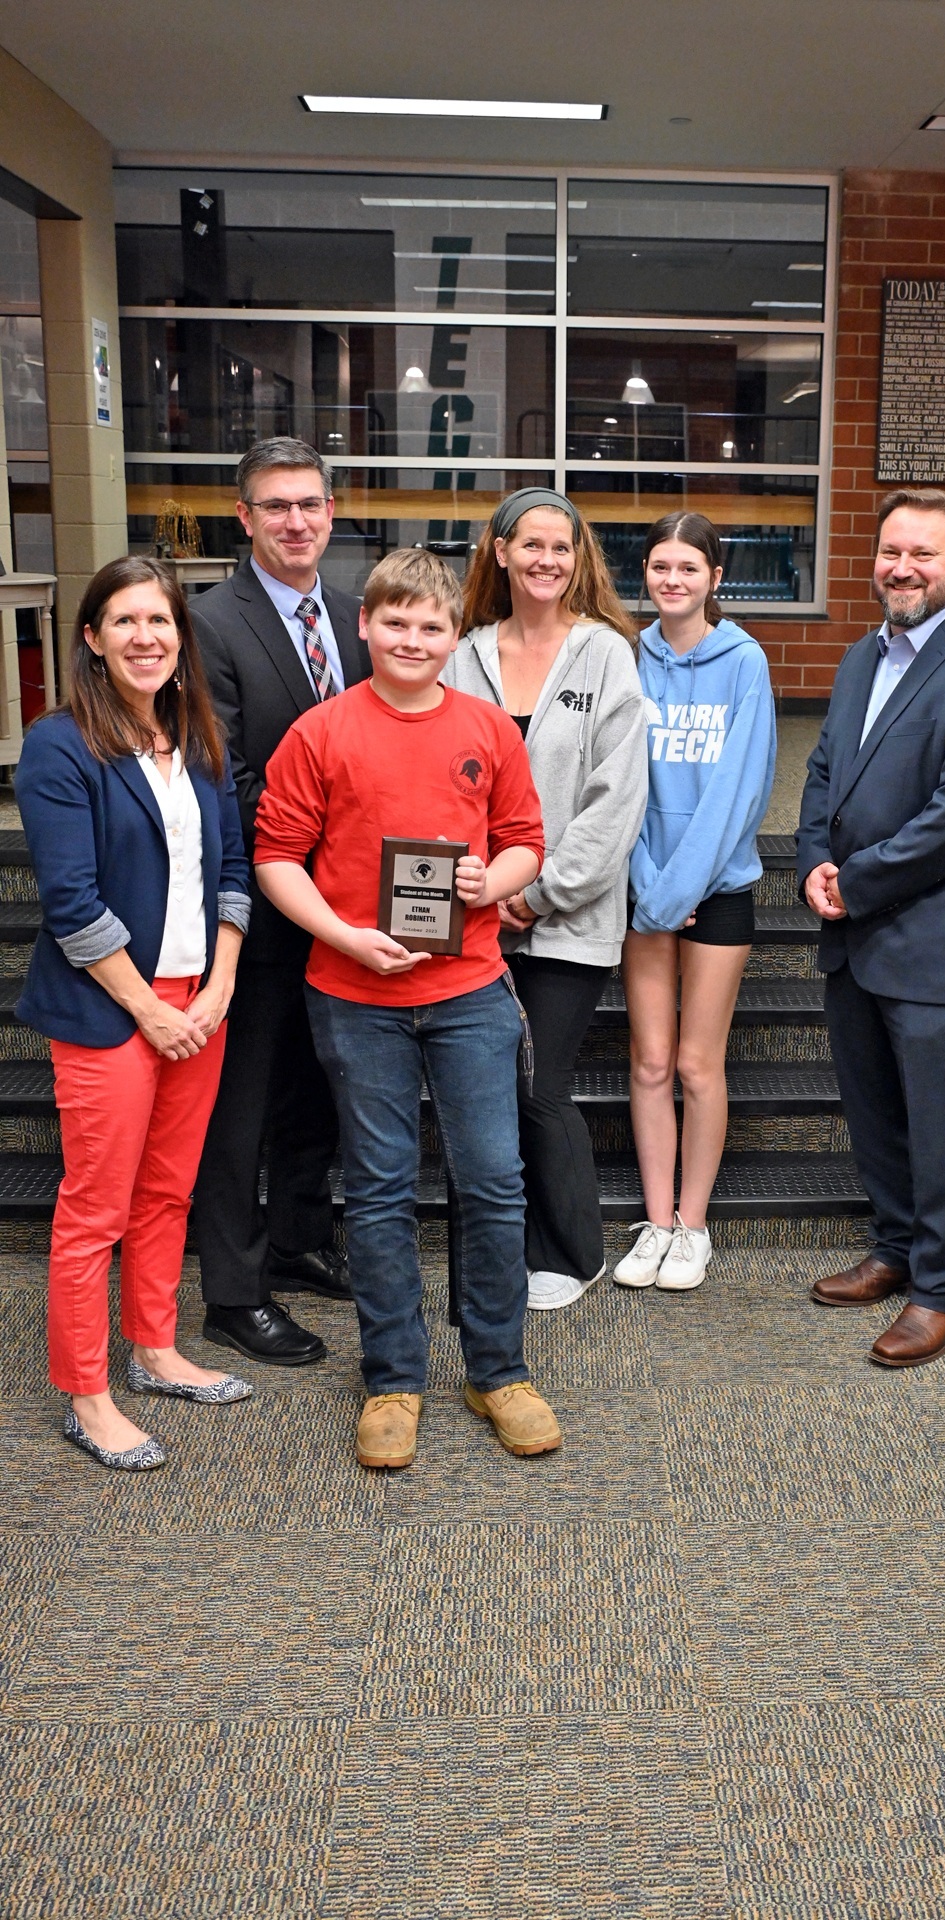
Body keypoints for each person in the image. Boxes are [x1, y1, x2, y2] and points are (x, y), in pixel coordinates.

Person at [255, 548, 561, 1470]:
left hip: (468, 991)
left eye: (432, 627)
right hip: (355, 997)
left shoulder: (487, 728)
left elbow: (525, 843)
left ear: (453, 635)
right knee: (381, 1189)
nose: (413, 639)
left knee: (494, 1182)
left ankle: (497, 1369)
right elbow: (276, 859)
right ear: (365, 625)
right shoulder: (320, 732)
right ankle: (393, 1379)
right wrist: (345, 936)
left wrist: (488, 881)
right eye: (396, 623)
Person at [15, 557, 252, 1471]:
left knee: (168, 1193)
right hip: (114, 1010)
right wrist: (152, 1010)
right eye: (125, 622)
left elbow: (231, 871)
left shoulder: (197, 737)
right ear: (92, 638)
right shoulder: (60, 744)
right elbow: (71, 902)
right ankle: (88, 1393)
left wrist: (221, 985)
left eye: (160, 621)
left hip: (201, 1002)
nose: (146, 638)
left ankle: (154, 1350)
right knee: (94, 1208)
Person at [797, 488, 945, 1366]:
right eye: (891, 550)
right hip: (856, 935)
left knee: (941, 1130)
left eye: (924, 554)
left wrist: (854, 882)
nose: (902, 567)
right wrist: (813, 863)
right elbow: (826, 768)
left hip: (936, 939)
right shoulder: (866, 655)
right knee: (875, 1114)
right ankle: (897, 1249)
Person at [190, 436, 371, 1368]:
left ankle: (300, 1240)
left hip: (339, 914)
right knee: (242, 1105)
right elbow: (223, 771)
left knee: (315, 1088)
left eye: (310, 504)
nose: (296, 521)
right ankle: (234, 1291)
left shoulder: (353, 615)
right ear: (245, 517)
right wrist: (330, 846)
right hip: (259, 908)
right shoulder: (210, 623)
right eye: (276, 507)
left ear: (331, 513)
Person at [446, 487, 648, 1311]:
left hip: (567, 914)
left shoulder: (604, 654)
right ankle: (505, 1248)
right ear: (499, 551)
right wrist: (481, 894)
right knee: (485, 1085)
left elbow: (617, 798)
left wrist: (538, 891)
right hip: (474, 915)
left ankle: (572, 1249)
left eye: (561, 548)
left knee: (540, 1086)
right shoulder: (463, 653)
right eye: (530, 544)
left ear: (579, 559)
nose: (545, 560)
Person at [614, 512, 776, 1293]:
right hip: (643, 887)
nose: (671, 581)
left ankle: (694, 1225)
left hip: (715, 890)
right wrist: (648, 881)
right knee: (648, 1062)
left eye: (687, 568)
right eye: (658, 567)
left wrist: (679, 887)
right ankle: (654, 1220)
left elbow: (740, 791)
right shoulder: (626, 658)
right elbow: (616, 781)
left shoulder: (745, 663)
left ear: (716, 577)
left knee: (695, 1063)